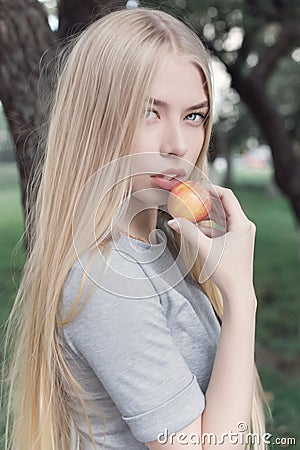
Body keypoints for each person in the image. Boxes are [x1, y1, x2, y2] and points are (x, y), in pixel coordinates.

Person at [3, 6, 270, 450]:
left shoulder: (166, 246)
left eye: (194, 116)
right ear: (96, 120)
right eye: (151, 111)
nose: (178, 144)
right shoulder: (105, 277)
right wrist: (242, 297)